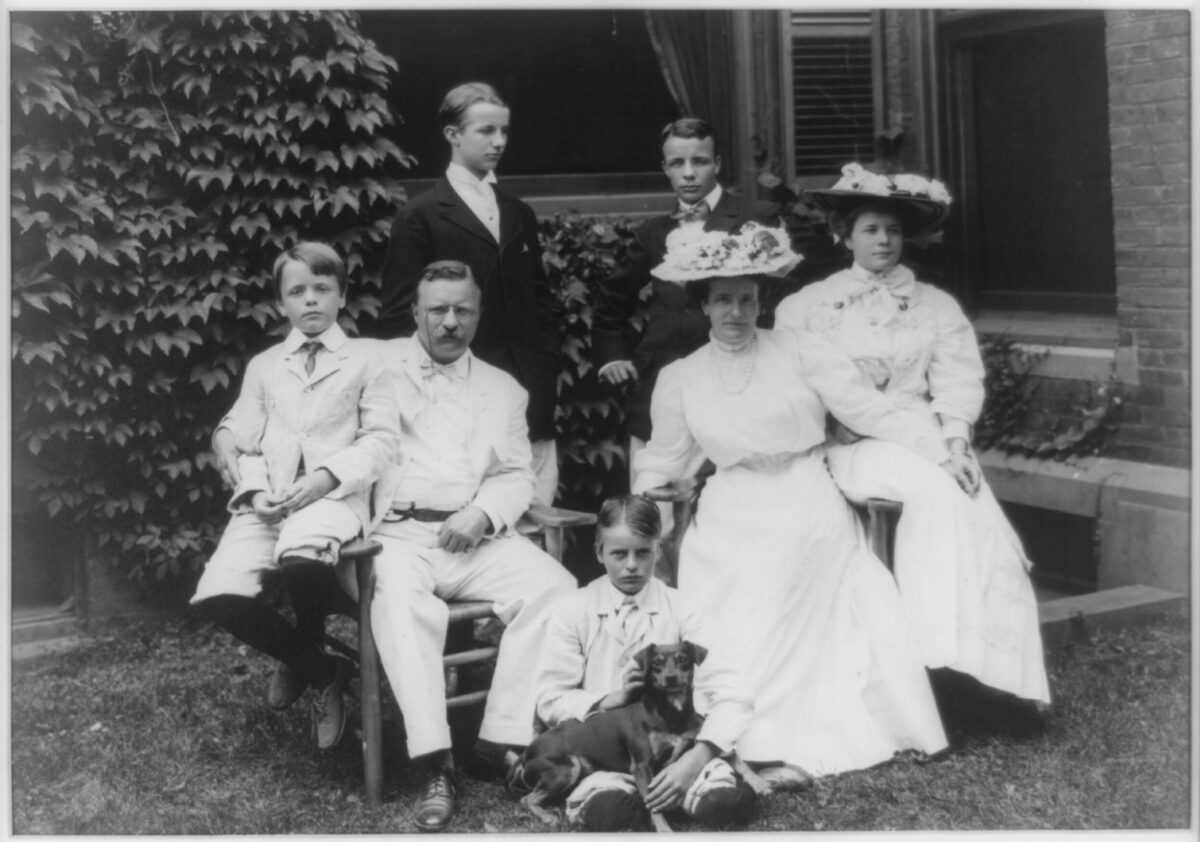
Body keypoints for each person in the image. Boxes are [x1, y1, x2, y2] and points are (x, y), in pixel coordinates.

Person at [632, 222, 952, 778]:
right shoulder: (681, 376)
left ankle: (781, 737)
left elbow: (869, 412)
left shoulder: (801, 351)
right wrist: (639, 524)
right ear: (704, 305)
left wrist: (944, 452)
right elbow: (665, 459)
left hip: (804, 493)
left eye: (747, 299)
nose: (736, 311)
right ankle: (730, 725)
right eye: (723, 300)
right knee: (719, 574)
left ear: (761, 301)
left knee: (786, 568)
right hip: (732, 500)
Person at [774, 162, 1051, 709]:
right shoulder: (805, 308)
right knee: (936, 496)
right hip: (853, 444)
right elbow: (837, 398)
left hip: (929, 443)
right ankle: (934, 662)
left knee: (979, 512)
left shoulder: (936, 305)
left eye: (894, 230)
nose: (884, 240)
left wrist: (956, 444)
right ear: (844, 235)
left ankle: (990, 671)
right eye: (871, 229)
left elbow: (957, 380)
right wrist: (933, 454)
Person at [356, 260, 576, 832]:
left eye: (463, 310)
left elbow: (517, 474)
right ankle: (437, 763)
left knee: (556, 587)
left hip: (468, 537)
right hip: (394, 535)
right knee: (402, 606)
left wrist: (483, 513)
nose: (450, 322)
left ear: (478, 314)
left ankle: (497, 739)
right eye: (438, 310)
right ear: (415, 312)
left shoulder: (504, 389)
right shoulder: (374, 365)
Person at [195, 242, 400, 751]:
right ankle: (319, 666)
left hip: (333, 495)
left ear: (342, 295)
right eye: (297, 291)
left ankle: (304, 648)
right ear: (280, 302)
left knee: (301, 556)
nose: (310, 300)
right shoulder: (266, 365)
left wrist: (327, 478)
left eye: (322, 288)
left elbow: (381, 441)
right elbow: (241, 432)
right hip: (270, 498)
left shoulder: (369, 358)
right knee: (218, 594)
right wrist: (254, 490)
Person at [377, 82, 561, 505]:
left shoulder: (517, 212)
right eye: (486, 131)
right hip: (455, 398)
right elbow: (400, 315)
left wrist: (546, 363)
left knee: (535, 505)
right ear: (453, 135)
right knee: (466, 510)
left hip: (529, 389)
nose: (499, 142)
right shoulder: (421, 214)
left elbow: (540, 300)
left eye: (504, 131)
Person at [532, 494, 756, 831]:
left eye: (643, 552)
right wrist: (611, 699)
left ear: (659, 550)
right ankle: (644, 800)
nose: (632, 565)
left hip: (680, 750)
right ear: (599, 552)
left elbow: (732, 691)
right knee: (611, 813)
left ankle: (684, 789)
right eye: (619, 554)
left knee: (726, 804)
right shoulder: (573, 609)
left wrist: (696, 759)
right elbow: (550, 699)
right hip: (608, 755)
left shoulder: (683, 608)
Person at [591, 117, 785, 486]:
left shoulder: (756, 218)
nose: (689, 173)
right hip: (663, 380)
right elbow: (611, 302)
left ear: (718, 164)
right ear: (664, 168)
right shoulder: (653, 232)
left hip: (738, 377)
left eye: (700, 161)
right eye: (677, 163)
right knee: (654, 493)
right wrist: (612, 355)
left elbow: (782, 297)